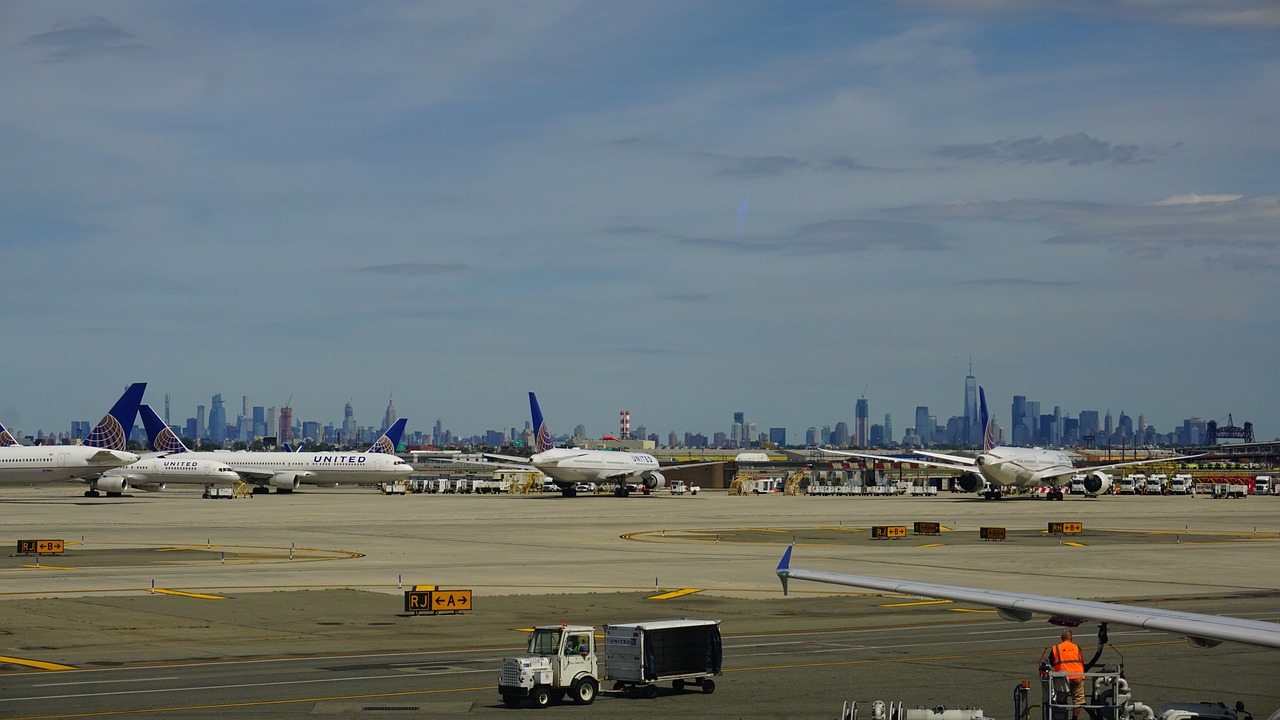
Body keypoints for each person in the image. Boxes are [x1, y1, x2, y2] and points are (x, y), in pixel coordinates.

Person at [1050, 629, 1086, 719]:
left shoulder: (1056, 648)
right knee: (1078, 700)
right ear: (1071, 638)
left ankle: (1061, 717)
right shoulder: (1077, 647)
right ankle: (1074, 718)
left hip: (1063, 678)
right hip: (1077, 677)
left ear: (1061, 638)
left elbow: (1051, 662)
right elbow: (1081, 661)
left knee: (1061, 699)